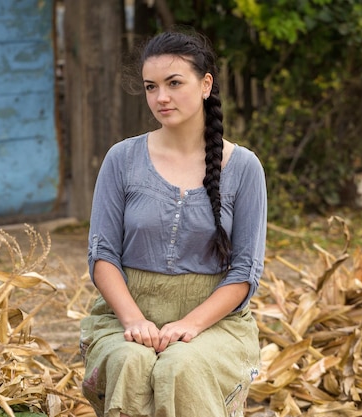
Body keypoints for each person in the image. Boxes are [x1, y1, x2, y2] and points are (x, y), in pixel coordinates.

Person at [79, 29, 267, 417]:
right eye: (151, 87)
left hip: (213, 321)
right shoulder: (122, 159)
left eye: (174, 83)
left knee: (182, 367)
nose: (160, 98)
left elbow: (245, 271)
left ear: (205, 84)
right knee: (130, 362)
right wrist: (133, 320)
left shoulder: (243, 167)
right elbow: (102, 254)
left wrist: (191, 325)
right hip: (127, 315)